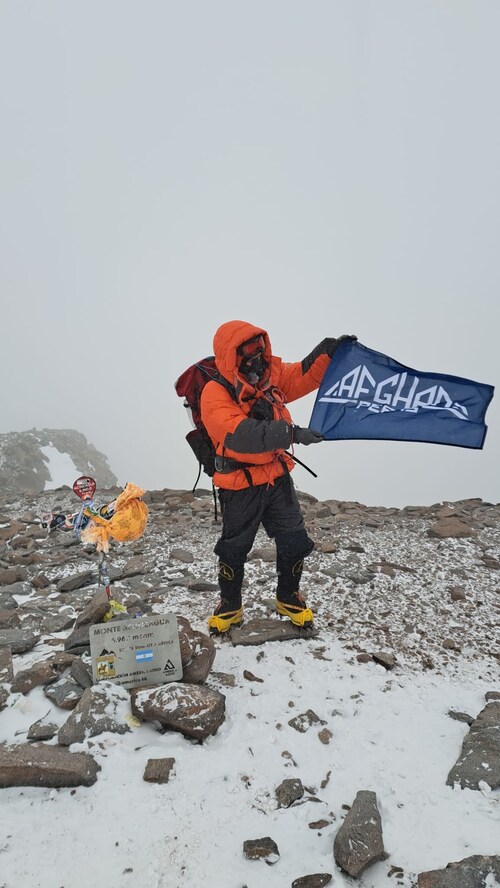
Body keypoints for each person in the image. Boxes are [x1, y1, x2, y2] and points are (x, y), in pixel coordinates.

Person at [200, 320, 356, 634]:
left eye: (260, 349)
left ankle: (288, 597)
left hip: (277, 479)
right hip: (240, 484)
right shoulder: (214, 393)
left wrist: (328, 352)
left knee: (295, 541)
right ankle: (230, 605)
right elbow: (240, 435)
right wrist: (292, 433)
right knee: (233, 548)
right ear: (232, 356)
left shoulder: (271, 377)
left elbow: (302, 375)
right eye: (248, 352)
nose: (257, 358)